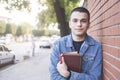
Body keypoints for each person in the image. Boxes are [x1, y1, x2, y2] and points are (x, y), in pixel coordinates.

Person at [49, 7, 102, 80]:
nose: (79, 24)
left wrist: (69, 74)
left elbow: (94, 78)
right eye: (75, 21)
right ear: (70, 24)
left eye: (83, 21)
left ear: (89, 24)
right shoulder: (58, 45)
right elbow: (54, 76)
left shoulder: (96, 47)